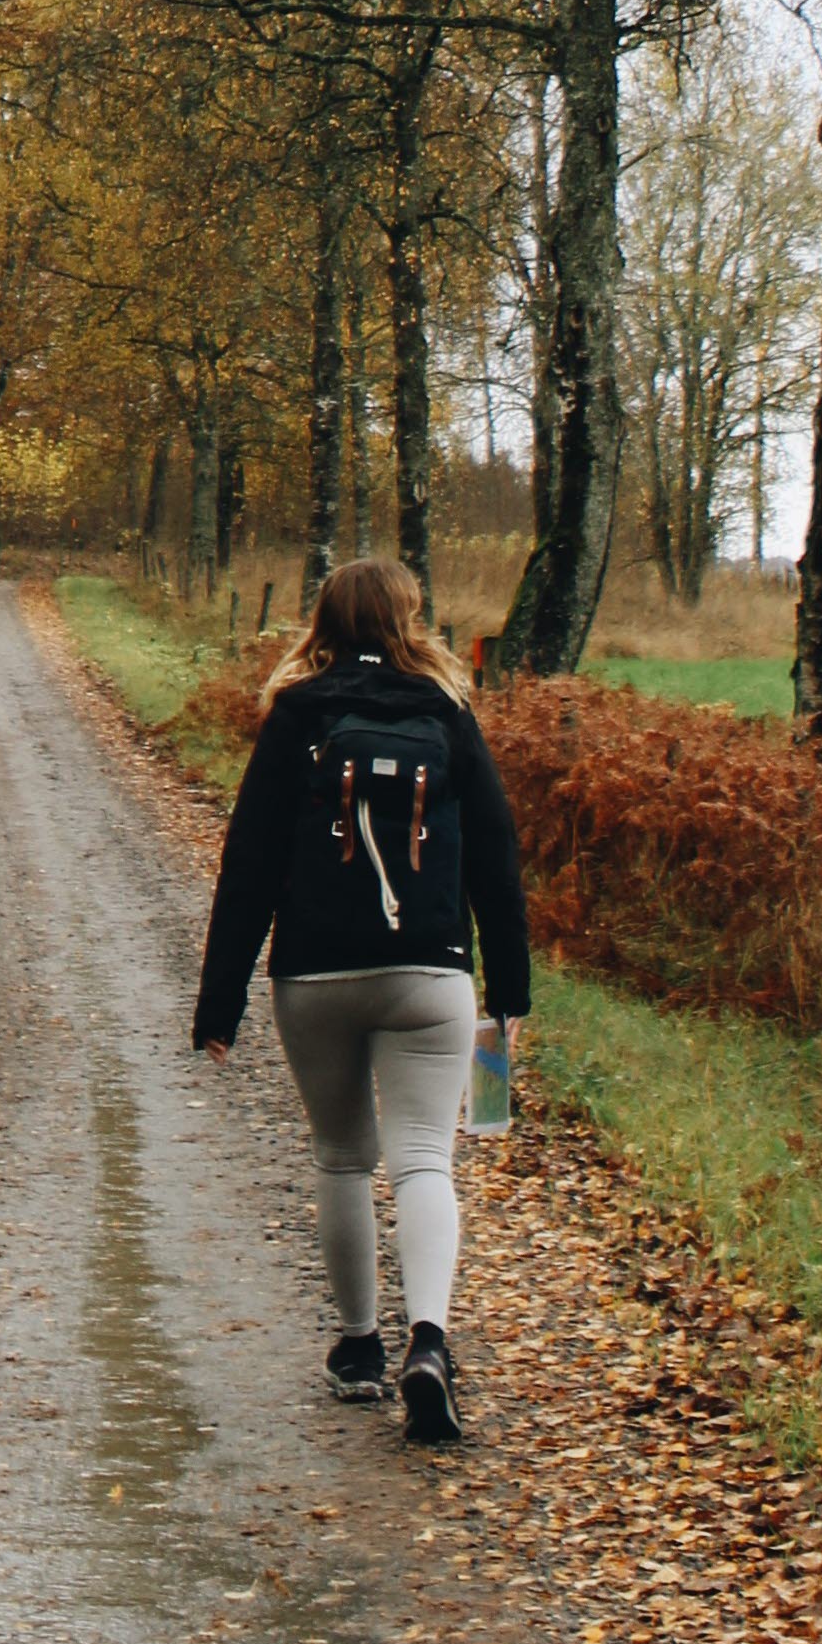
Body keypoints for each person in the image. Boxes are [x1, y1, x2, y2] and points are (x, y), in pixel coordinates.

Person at [193, 559, 531, 1444]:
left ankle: (358, 1352)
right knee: (424, 1158)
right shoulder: (448, 712)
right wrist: (512, 992)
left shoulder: (296, 715)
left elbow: (249, 863)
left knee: (344, 1157)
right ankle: (430, 1340)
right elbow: (496, 855)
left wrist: (218, 1005)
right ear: (408, 620)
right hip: (431, 972)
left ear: (324, 622)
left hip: (314, 973)